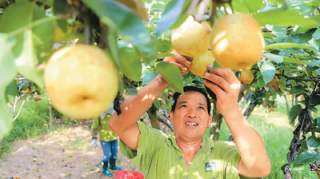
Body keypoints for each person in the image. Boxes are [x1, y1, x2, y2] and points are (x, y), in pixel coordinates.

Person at [109, 54, 271, 178]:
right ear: (171, 116)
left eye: (201, 108)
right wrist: (162, 80)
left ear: (209, 120)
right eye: (183, 106)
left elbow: (260, 167)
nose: (192, 113)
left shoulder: (223, 152)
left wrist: (231, 110)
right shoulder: (155, 144)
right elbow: (118, 124)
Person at [91, 107, 122, 177]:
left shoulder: (115, 112)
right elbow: (94, 127)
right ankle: (105, 169)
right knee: (107, 155)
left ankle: (113, 166)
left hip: (114, 137)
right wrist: (94, 138)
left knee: (114, 154)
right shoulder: (99, 114)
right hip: (104, 139)